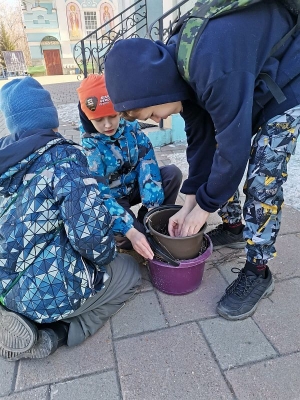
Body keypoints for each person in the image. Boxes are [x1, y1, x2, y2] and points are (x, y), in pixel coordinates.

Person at [104, 1, 300, 321]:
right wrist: (189, 203)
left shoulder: (209, 63)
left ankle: (258, 270)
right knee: (217, 170)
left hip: (290, 77)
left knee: (262, 178)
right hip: (250, 77)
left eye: (152, 113)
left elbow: (232, 151)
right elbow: (201, 144)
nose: (157, 118)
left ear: (156, 89)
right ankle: (236, 229)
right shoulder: (179, 74)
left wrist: (205, 207)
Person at [0, 77, 141, 361]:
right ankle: (57, 333)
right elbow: (90, 238)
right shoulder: (64, 158)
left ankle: (14, 310)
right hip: (42, 290)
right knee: (130, 273)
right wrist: (113, 250)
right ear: (51, 117)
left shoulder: (6, 156)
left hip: (4, 280)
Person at [76, 74, 183, 258]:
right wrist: (130, 230)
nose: (108, 124)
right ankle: (127, 238)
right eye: (99, 120)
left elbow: (146, 161)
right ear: (88, 117)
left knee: (172, 174)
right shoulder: (90, 147)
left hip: (134, 187)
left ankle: (149, 221)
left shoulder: (130, 127)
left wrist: (153, 208)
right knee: (130, 236)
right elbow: (100, 194)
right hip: (113, 197)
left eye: (112, 116)